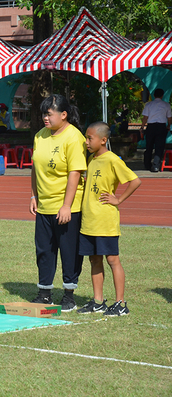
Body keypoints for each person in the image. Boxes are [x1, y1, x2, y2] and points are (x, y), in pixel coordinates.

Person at [29, 94, 86, 312]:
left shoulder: (74, 137)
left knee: (69, 251)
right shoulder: (40, 136)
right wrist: (33, 195)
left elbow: (75, 173)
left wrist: (66, 206)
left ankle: (69, 295)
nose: (45, 118)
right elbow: (35, 167)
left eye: (49, 114)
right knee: (44, 250)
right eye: (43, 113)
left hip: (67, 207)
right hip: (44, 204)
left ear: (64, 115)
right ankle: (44, 293)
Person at [77, 122, 141, 316]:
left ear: (103, 140)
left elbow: (135, 181)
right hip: (89, 220)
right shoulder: (90, 159)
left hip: (105, 220)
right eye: (86, 138)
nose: (86, 142)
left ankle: (120, 304)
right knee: (94, 260)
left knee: (112, 260)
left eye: (90, 138)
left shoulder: (112, 159)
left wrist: (118, 199)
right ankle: (98, 301)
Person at [139, 88, 172, 172]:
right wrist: (168, 126)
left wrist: (142, 127)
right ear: (162, 95)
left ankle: (147, 165)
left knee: (149, 146)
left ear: (154, 95)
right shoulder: (166, 105)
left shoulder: (149, 105)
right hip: (161, 127)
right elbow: (169, 118)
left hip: (151, 127)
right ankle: (156, 166)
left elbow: (145, 117)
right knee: (159, 147)